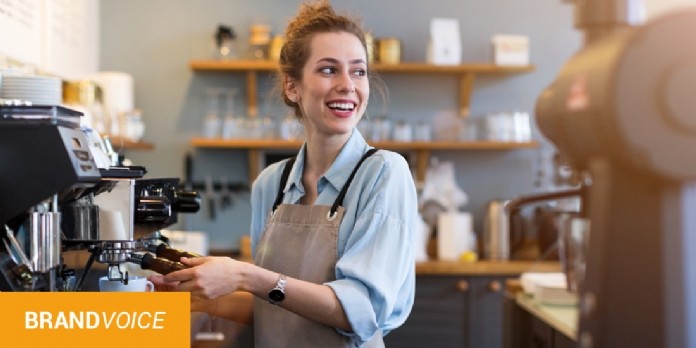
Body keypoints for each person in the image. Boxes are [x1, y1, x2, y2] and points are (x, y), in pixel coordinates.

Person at [150, 1, 417, 346]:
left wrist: (245, 274)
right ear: (293, 87)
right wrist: (200, 295)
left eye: (359, 70)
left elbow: (361, 311)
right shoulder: (271, 184)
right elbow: (273, 306)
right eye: (328, 70)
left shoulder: (383, 173)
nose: (348, 85)